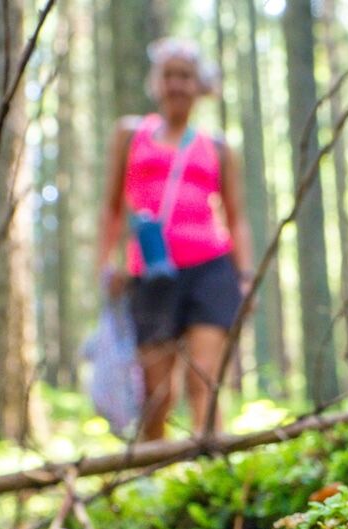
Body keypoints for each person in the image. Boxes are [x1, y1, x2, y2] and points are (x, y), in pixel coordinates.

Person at [96, 38, 252, 441]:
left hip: (211, 269)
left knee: (205, 380)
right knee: (157, 394)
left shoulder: (217, 147)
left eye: (184, 76)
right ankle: (152, 484)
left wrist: (245, 275)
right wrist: (106, 263)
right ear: (156, 83)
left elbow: (236, 217)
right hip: (150, 273)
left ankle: (211, 477)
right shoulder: (131, 135)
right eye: (168, 75)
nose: (176, 84)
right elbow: (112, 206)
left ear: (198, 84)